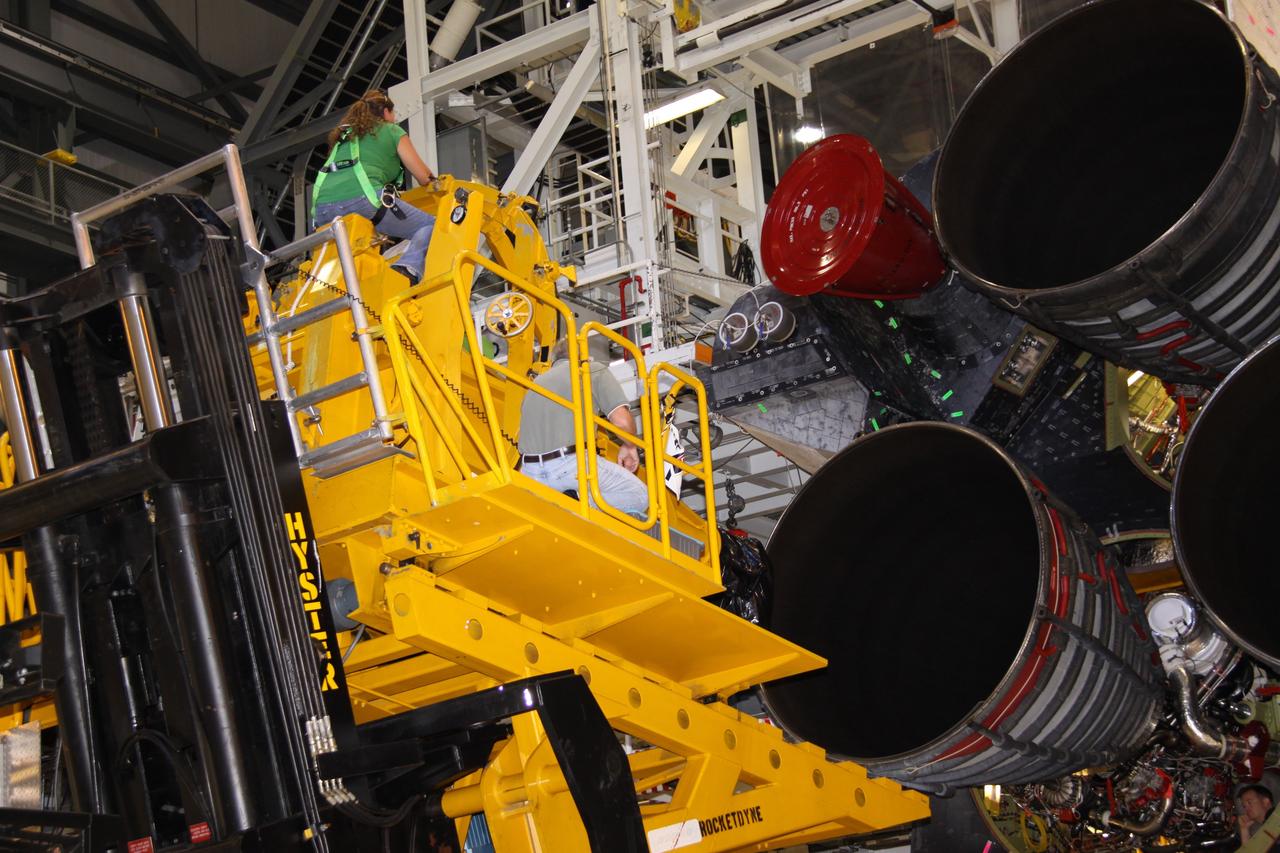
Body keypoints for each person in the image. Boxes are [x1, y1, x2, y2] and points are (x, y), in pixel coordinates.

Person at [311, 89, 435, 285]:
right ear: (386, 112)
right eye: (393, 114)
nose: (394, 119)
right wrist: (435, 180)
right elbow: (423, 176)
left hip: (323, 212)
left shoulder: (345, 139)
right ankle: (407, 268)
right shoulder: (391, 131)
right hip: (363, 201)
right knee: (431, 225)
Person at [518, 337, 648, 516]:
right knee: (639, 494)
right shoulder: (589, 371)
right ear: (584, 357)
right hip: (570, 465)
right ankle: (575, 501)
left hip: (529, 473)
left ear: (553, 360)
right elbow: (622, 422)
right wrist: (629, 445)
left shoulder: (534, 385)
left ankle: (566, 503)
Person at [1238, 782, 1277, 849]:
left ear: (1265, 801)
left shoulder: (1276, 819)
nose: (1246, 809)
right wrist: (1244, 829)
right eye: (1244, 806)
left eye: (1249, 802)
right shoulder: (1266, 827)